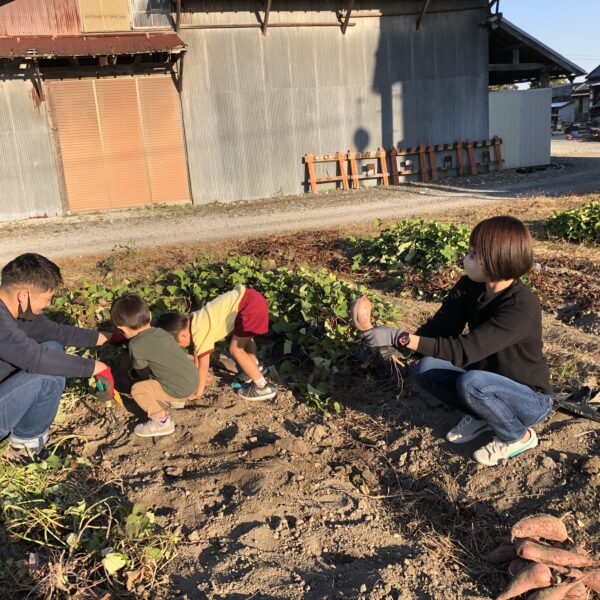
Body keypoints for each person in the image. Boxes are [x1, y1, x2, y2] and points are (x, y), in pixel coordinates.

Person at [359, 216, 553, 466]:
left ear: (496, 258)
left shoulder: (520, 308)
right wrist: (392, 344)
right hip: (488, 382)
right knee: (425, 369)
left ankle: (518, 436)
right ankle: (484, 417)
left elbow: (465, 351)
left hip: (529, 399)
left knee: (472, 383)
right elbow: (440, 329)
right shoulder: (470, 287)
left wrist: (402, 338)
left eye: (474, 253)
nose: (466, 258)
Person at [0, 253, 121, 463]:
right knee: (48, 375)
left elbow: (59, 333)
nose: (48, 305)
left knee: (53, 347)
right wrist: (97, 368)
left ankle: (24, 438)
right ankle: (23, 450)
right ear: (23, 295)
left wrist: (116, 338)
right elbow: (36, 359)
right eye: (47, 298)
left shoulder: (19, 312)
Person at [156, 284, 276, 401]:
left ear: (182, 336)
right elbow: (197, 353)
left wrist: (198, 392)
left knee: (235, 349)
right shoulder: (194, 319)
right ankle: (255, 367)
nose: (179, 346)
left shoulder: (200, 332)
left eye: (177, 344)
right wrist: (197, 377)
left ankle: (262, 387)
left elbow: (203, 367)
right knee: (247, 339)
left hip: (248, 306)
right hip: (251, 298)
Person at [110, 293, 199, 438]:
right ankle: (176, 401)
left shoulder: (135, 345)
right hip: (194, 379)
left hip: (180, 389)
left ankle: (161, 421)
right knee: (166, 368)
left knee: (138, 389)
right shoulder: (162, 332)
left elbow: (142, 374)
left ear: (122, 329)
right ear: (150, 316)